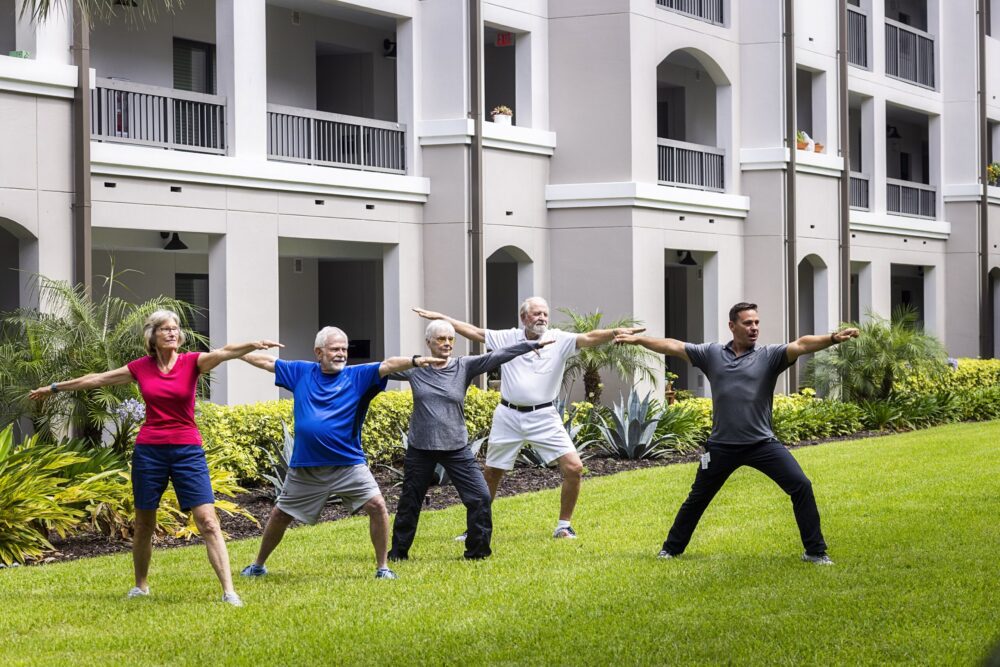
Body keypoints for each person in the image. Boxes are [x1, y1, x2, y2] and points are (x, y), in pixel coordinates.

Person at [29, 309, 282, 605]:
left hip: (188, 451)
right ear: (153, 336)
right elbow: (98, 379)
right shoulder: (141, 367)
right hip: (150, 452)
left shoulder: (192, 363)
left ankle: (229, 591)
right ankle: (141, 586)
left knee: (209, 522)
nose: (172, 332)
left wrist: (253, 344)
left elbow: (225, 352)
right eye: (165, 329)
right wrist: (55, 387)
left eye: (175, 328)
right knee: (144, 523)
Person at [615, 301, 860, 565]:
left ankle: (815, 551)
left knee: (801, 486)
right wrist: (638, 341)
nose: (754, 328)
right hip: (721, 447)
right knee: (697, 498)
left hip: (762, 444)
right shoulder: (711, 354)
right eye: (748, 323)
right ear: (732, 326)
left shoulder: (770, 356)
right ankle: (671, 549)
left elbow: (801, 345)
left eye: (756, 323)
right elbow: (673, 345)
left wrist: (833, 338)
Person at [414, 298, 644, 539]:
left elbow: (589, 337)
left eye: (544, 313)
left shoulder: (559, 339)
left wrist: (615, 332)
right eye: (536, 314)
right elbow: (473, 331)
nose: (542, 318)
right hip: (508, 415)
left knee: (574, 468)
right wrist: (440, 318)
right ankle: (475, 528)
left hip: (544, 416)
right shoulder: (508, 337)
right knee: (492, 473)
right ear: (523, 318)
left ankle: (563, 526)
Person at [238, 326, 445, 580]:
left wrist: (415, 361)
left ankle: (383, 568)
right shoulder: (301, 372)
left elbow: (388, 364)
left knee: (377, 505)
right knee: (281, 513)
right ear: (318, 352)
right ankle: (258, 565)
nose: (341, 354)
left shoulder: (357, 376)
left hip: (348, 463)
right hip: (306, 465)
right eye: (335, 349)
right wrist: (235, 352)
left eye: (344, 349)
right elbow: (268, 362)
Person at [388, 319, 551, 561]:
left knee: (480, 497)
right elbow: (384, 367)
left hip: (456, 448)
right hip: (420, 449)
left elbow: (498, 356)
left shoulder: (463, 366)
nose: (446, 343)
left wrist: (528, 345)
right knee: (410, 502)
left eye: (450, 339)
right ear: (428, 342)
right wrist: (413, 361)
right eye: (441, 339)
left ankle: (477, 553)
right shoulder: (416, 369)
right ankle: (398, 554)